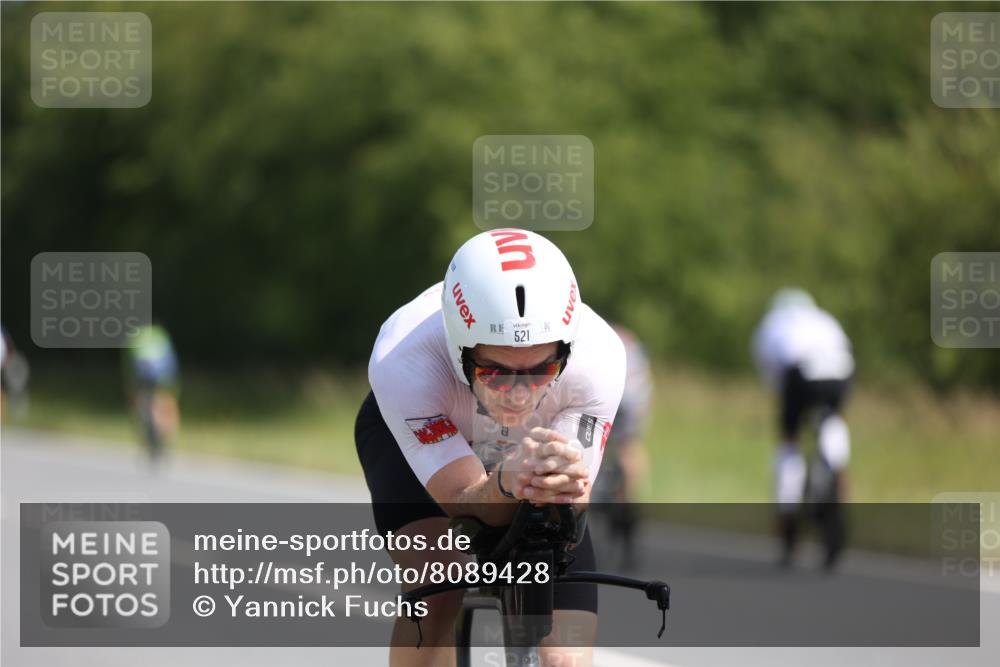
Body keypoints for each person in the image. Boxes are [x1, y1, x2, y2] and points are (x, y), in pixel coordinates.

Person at [355, 228, 626, 667]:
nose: (518, 394)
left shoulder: (600, 358)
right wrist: (505, 484)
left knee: (567, 659)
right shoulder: (403, 358)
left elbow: (572, 506)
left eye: (542, 369)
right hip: (422, 431)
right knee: (438, 584)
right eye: (496, 372)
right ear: (459, 346)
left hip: (533, 449)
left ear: (567, 348)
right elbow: (462, 501)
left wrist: (554, 486)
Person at [752, 288, 854, 570]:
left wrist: (787, 416)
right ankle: (839, 474)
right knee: (833, 421)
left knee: (790, 442)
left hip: (801, 373)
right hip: (840, 371)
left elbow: (772, 377)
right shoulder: (824, 319)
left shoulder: (772, 324)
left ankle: (788, 506)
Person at [591, 324, 653, 571]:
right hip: (634, 393)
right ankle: (628, 496)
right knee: (630, 447)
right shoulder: (630, 341)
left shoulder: (590, 334)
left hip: (606, 388)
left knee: (595, 444)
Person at [124, 323, 180, 462]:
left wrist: (130, 386)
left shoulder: (134, 337)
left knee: (138, 403)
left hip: (143, 374)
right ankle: (166, 442)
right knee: (166, 404)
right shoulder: (160, 333)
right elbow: (171, 359)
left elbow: (129, 365)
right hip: (164, 374)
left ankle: (146, 442)